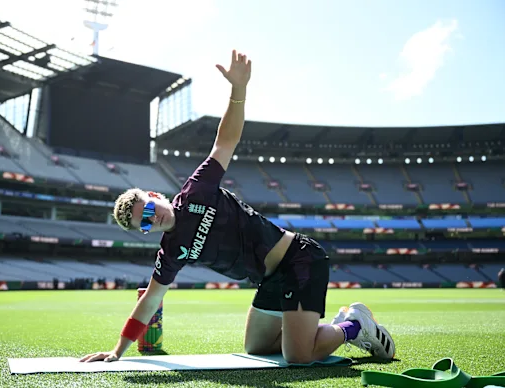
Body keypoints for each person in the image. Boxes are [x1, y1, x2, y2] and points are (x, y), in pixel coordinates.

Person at [80, 50, 395, 364]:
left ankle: (355, 326)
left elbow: (224, 142)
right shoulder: (172, 250)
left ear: (155, 195)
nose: (154, 217)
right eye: (144, 222)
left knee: (298, 357)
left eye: (149, 208)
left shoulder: (196, 191)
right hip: (270, 281)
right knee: (257, 348)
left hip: (299, 261)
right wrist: (117, 350)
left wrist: (238, 89)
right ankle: (316, 329)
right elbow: (150, 300)